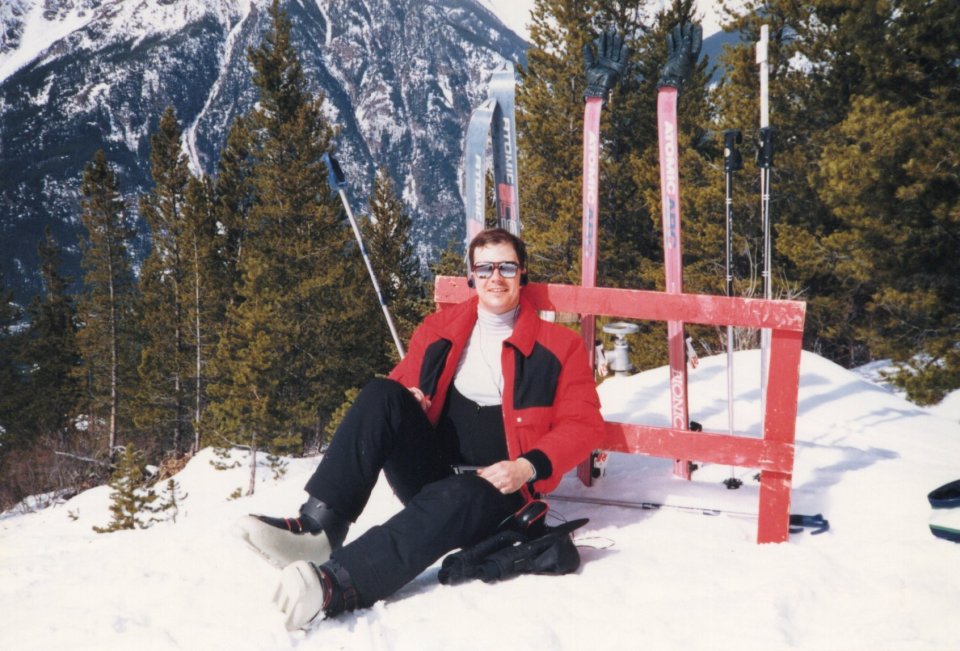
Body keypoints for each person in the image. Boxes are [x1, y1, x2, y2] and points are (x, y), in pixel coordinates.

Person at [238, 228, 605, 630]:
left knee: (462, 492)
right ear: (471, 276)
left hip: (500, 494)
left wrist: (526, 466)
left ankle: (335, 583)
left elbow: (584, 424)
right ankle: (318, 529)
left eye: (506, 267)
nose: (495, 278)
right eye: (484, 268)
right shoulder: (441, 330)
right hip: (433, 475)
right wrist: (411, 395)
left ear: (523, 274)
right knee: (382, 393)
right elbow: (394, 398)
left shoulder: (560, 347)